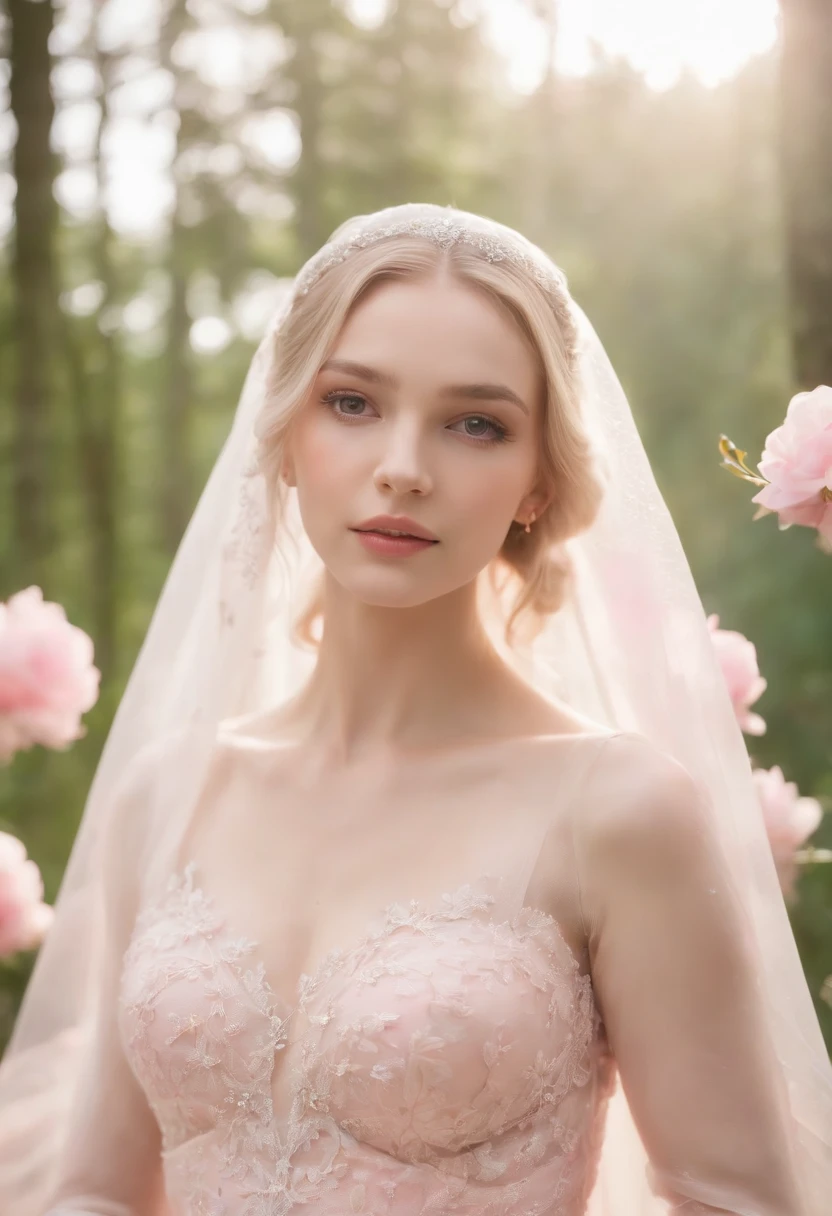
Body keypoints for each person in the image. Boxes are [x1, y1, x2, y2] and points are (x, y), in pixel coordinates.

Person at [0, 203, 830, 1216]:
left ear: (536, 479)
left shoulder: (618, 809)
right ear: (287, 435)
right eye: (351, 402)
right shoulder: (165, 791)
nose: (404, 464)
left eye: (475, 423)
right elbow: (97, 1191)